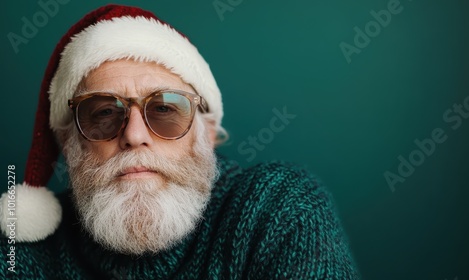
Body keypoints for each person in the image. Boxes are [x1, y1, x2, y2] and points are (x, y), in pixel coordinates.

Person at [0, 4, 359, 279]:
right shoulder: (20, 251)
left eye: (165, 110)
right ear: (68, 143)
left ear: (209, 133)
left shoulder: (281, 212)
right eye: (103, 113)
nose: (135, 136)